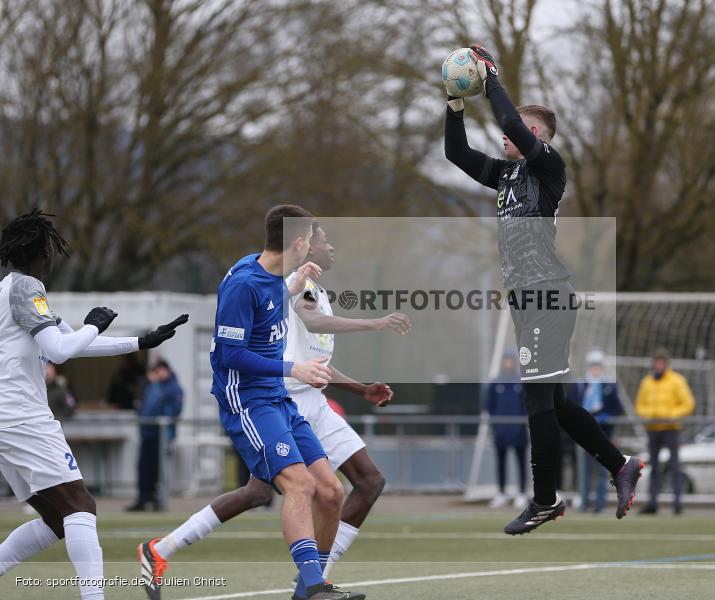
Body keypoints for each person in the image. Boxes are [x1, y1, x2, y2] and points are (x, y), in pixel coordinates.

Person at [139, 222, 409, 599]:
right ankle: (309, 583)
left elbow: (315, 360)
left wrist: (360, 388)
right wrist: (375, 323)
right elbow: (306, 324)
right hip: (279, 395)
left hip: (303, 401)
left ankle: (314, 583)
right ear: (304, 245)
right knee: (279, 490)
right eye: (325, 240)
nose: (331, 247)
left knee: (344, 487)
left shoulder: (303, 286)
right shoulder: (287, 284)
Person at [445, 45, 643, 534]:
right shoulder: (504, 175)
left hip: (548, 294)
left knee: (537, 403)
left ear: (535, 136)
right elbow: (455, 152)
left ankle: (545, 499)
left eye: (518, 130)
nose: (507, 136)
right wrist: (454, 102)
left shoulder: (548, 168)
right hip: (525, 301)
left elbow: (510, 123)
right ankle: (621, 464)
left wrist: (490, 80)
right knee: (555, 403)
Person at [0, 209, 188, 599]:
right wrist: (94, 323)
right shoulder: (26, 288)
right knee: (80, 505)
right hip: (21, 415)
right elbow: (61, 350)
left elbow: (73, 343)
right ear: (43, 252)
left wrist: (140, 342)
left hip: (8, 416)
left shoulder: (10, 291)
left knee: (57, 518)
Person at [634, 348, 695, 515]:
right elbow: (640, 404)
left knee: (675, 466)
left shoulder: (676, 380)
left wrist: (670, 416)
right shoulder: (647, 381)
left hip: (671, 429)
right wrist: (650, 415)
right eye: (656, 362)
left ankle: (677, 503)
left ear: (666, 364)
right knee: (653, 467)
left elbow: (688, 403)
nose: (659, 365)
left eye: (662, 362)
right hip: (653, 429)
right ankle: (652, 503)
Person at [570, 350, 623, 513]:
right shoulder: (581, 385)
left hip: (604, 433)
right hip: (585, 433)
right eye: (593, 366)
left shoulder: (609, 385)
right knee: (584, 470)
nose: (595, 370)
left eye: (598, 366)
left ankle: (599, 505)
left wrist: (606, 417)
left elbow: (617, 408)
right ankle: (584, 504)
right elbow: (572, 407)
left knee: (602, 472)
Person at [127, 360, 183, 512]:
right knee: (144, 468)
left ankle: (159, 500)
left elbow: (173, 411)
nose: (157, 374)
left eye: (159, 371)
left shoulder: (173, 388)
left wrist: (161, 424)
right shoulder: (153, 386)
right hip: (148, 433)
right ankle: (143, 499)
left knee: (160, 469)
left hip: (162, 435)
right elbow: (144, 405)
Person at [485, 350, 528, 510]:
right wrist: (496, 425)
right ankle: (501, 493)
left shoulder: (521, 382)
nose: (508, 363)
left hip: (519, 432)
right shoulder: (495, 383)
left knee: (522, 463)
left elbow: (527, 405)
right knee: (501, 463)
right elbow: (489, 405)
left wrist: (522, 423)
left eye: (511, 360)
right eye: (506, 360)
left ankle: (522, 493)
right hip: (501, 432)